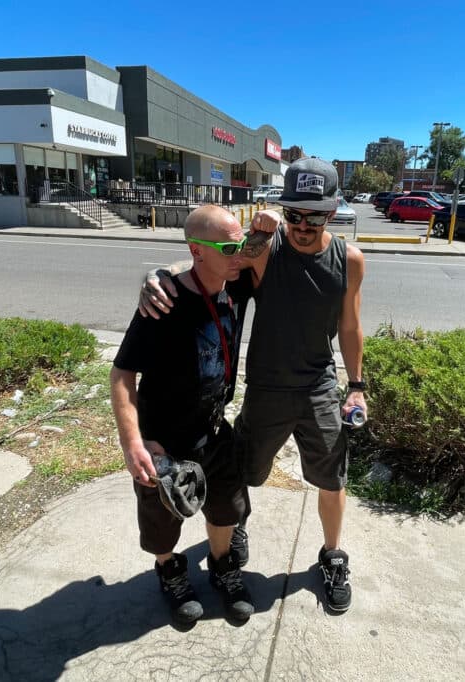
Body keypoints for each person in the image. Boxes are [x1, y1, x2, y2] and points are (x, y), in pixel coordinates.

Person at [140, 157, 367, 613]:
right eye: (295, 214)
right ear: (285, 211)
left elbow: (349, 327)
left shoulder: (350, 259)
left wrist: (356, 385)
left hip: (320, 386)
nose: (303, 225)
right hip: (266, 388)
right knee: (244, 470)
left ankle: (332, 556)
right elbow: (206, 261)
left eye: (315, 215)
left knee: (331, 475)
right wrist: (157, 275)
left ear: (333, 210)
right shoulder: (265, 249)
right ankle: (234, 526)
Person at [111, 205, 270, 624]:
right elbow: (122, 374)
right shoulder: (164, 303)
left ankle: (222, 565)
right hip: (164, 440)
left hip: (215, 431)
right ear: (197, 251)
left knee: (226, 509)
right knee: (162, 523)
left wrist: (267, 222)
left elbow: (265, 244)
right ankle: (170, 570)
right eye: (229, 246)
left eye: (241, 243)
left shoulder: (235, 287)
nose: (240, 253)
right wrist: (133, 443)